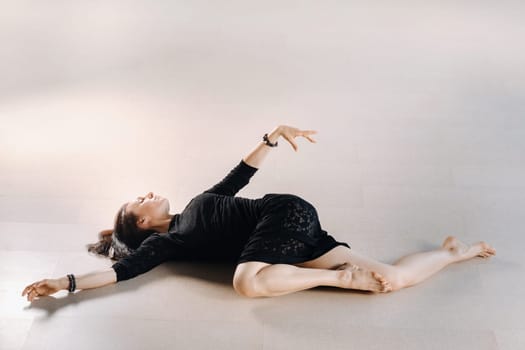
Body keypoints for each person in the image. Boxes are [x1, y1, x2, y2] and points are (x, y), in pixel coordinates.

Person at [22, 124, 496, 302]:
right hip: (283, 248)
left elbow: (240, 175)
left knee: (247, 283)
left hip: (283, 216)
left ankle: (338, 279)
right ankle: (454, 252)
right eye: (139, 201)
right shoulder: (171, 241)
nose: (147, 193)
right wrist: (65, 284)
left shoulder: (200, 202)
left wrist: (271, 138)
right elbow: (121, 273)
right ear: (143, 223)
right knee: (392, 281)